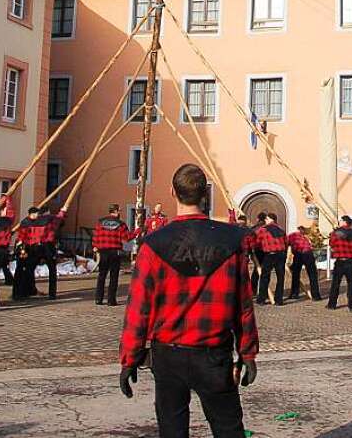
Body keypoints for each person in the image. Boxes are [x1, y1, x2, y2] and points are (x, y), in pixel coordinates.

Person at [119, 163, 258, 438]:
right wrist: (248, 352)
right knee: (228, 428)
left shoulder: (153, 243)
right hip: (213, 351)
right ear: (204, 194)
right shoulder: (231, 241)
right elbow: (243, 304)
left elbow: (139, 307)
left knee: (172, 430)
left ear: (172, 192)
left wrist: (130, 358)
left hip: (169, 352)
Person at [93, 204, 141, 306]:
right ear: (115, 211)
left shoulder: (100, 222)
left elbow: (96, 237)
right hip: (115, 252)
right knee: (113, 276)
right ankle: (111, 300)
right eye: (119, 211)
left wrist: (96, 247)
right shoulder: (121, 224)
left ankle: (98, 298)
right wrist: (137, 231)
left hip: (103, 251)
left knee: (102, 275)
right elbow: (127, 237)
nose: (120, 212)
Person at [18, 205, 66, 300]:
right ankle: (52, 294)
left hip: (35, 247)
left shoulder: (33, 221)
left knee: (30, 269)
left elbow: (25, 234)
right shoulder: (50, 220)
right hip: (48, 247)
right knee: (52, 270)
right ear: (47, 212)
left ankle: (28, 290)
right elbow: (59, 220)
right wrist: (63, 211)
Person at [327, 215, 352, 312]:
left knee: (335, 283)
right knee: (351, 284)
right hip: (351, 261)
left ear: (344, 222)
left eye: (340, 221)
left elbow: (332, 244)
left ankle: (332, 304)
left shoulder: (336, 233)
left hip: (340, 261)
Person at [254, 212, 287, 306]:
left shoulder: (262, 230)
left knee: (264, 277)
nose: (265, 220)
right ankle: (278, 300)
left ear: (270, 220)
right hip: (281, 254)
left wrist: (255, 250)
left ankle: (261, 299)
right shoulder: (281, 229)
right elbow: (286, 242)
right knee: (280, 277)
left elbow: (256, 241)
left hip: (270, 254)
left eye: (266, 219)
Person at [286, 225, 321, 301]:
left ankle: (294, 294)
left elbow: (285, 245)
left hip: (299, 254)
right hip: (308, 254)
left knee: (296, 274)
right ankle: (316, 296)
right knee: (312, 275)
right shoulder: (305, 237)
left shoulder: (291, 236)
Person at [248, 212, 266, 293]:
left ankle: (253, 290)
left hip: (257, 250)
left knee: (256, 271)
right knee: (265, 271)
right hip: (267, 251)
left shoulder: (254, 228)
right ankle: (263, 291)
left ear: (258, 219)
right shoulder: (267, 227)